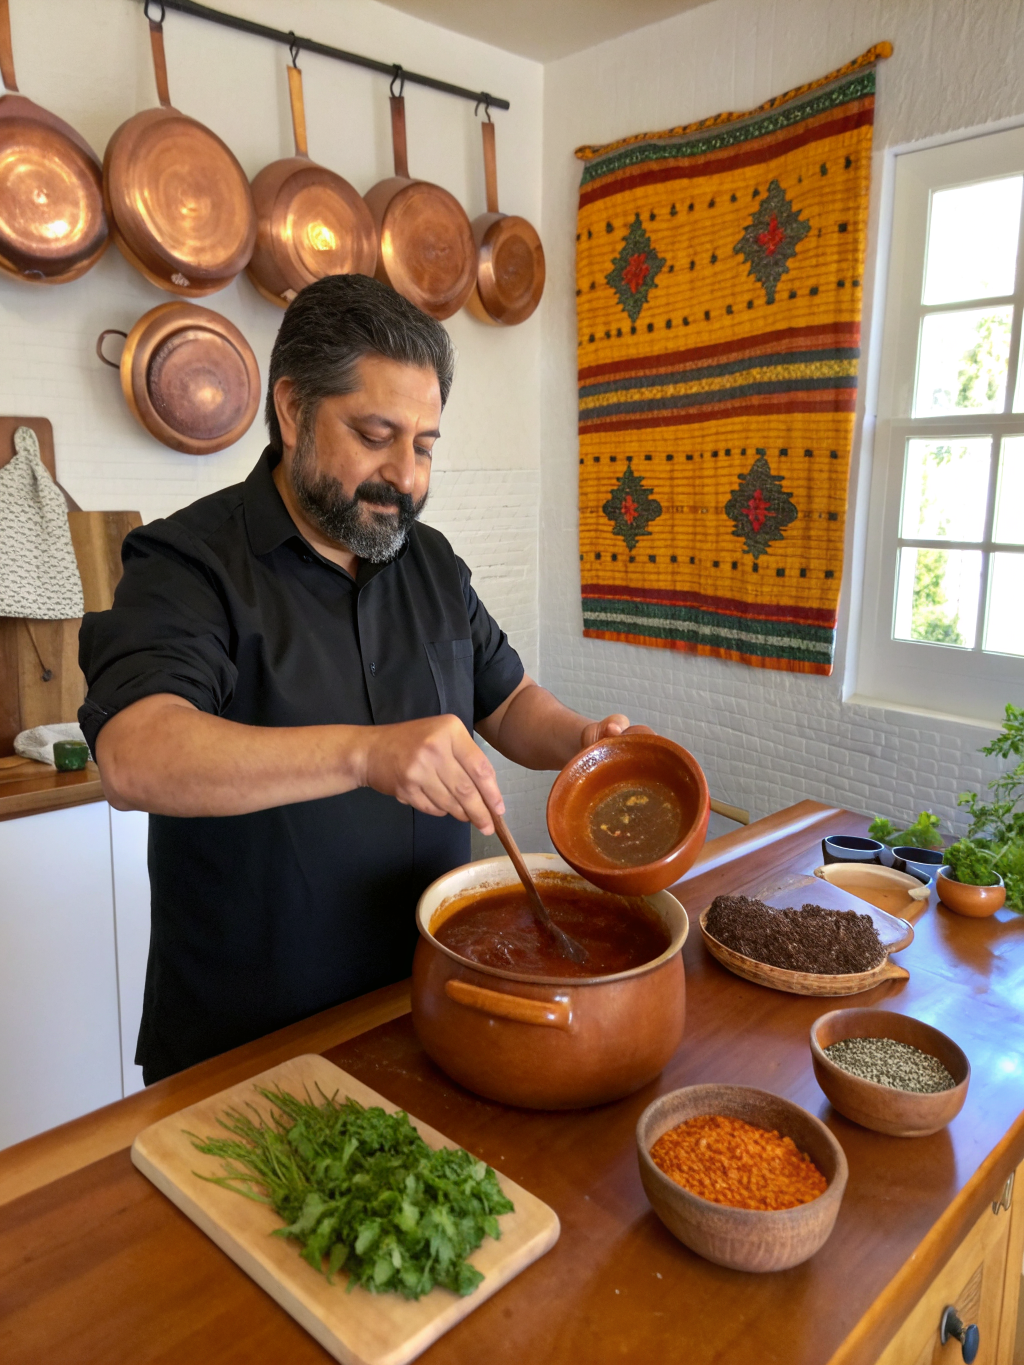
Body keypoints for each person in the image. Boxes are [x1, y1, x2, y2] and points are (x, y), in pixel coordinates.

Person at [80, 274, 635, 1084]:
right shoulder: (185, 563)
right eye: (376, 434)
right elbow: (134, 757)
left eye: (425, 444)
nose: (405, 477)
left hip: (433, 1001)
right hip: (248, 1042)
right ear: (293, 408)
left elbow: (508, 699)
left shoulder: (432, 561)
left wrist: (582, 741)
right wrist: (365, 754)